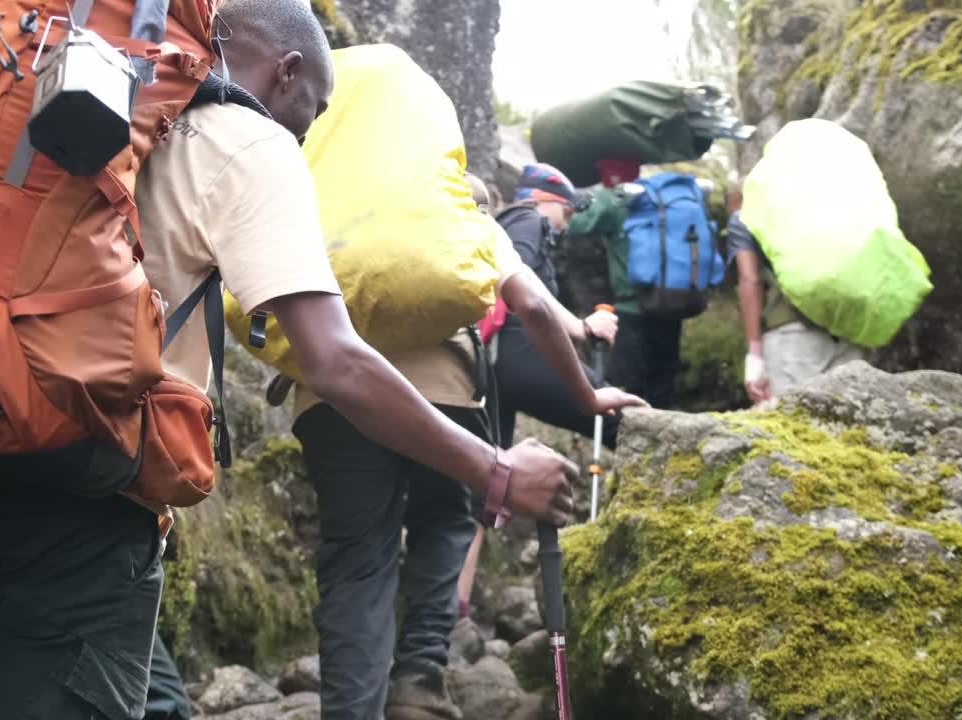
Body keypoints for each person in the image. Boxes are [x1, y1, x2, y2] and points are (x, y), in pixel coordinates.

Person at [136, 4, 580, 717]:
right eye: (306, 113)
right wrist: (580, 401)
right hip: (444, 390)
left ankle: (351, 709)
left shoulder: (144, 127)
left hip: (327, 408)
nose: (303, 133)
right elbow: (528, 303)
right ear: (286, 73)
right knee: (443, 525)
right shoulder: (452, 210)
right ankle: (420, 682)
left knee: (357, 555)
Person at [491, 163, 623, 449]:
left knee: (493, 462)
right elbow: (519, 280)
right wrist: (581, 326)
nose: (565, 224)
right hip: (519, 351)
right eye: (566, 212)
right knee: (625, 422)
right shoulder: (527, 219)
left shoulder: (505, 226)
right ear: (542, 198)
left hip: (495, 365)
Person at [568, 158, 685, 409]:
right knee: (662, 384)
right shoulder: (659, 199)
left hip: (633, 308)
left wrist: (580, 201)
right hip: (673, 301)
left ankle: (633, 442)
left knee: (628, 387)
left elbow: (574, 225)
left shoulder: (613, 200)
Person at [726, 210, 867, 402]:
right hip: (849, 326)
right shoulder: (834, 203)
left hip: (791, 334)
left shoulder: (749, 214)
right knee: (850, 421)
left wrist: (755, 356)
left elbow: (750, 279)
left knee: (791, 424)